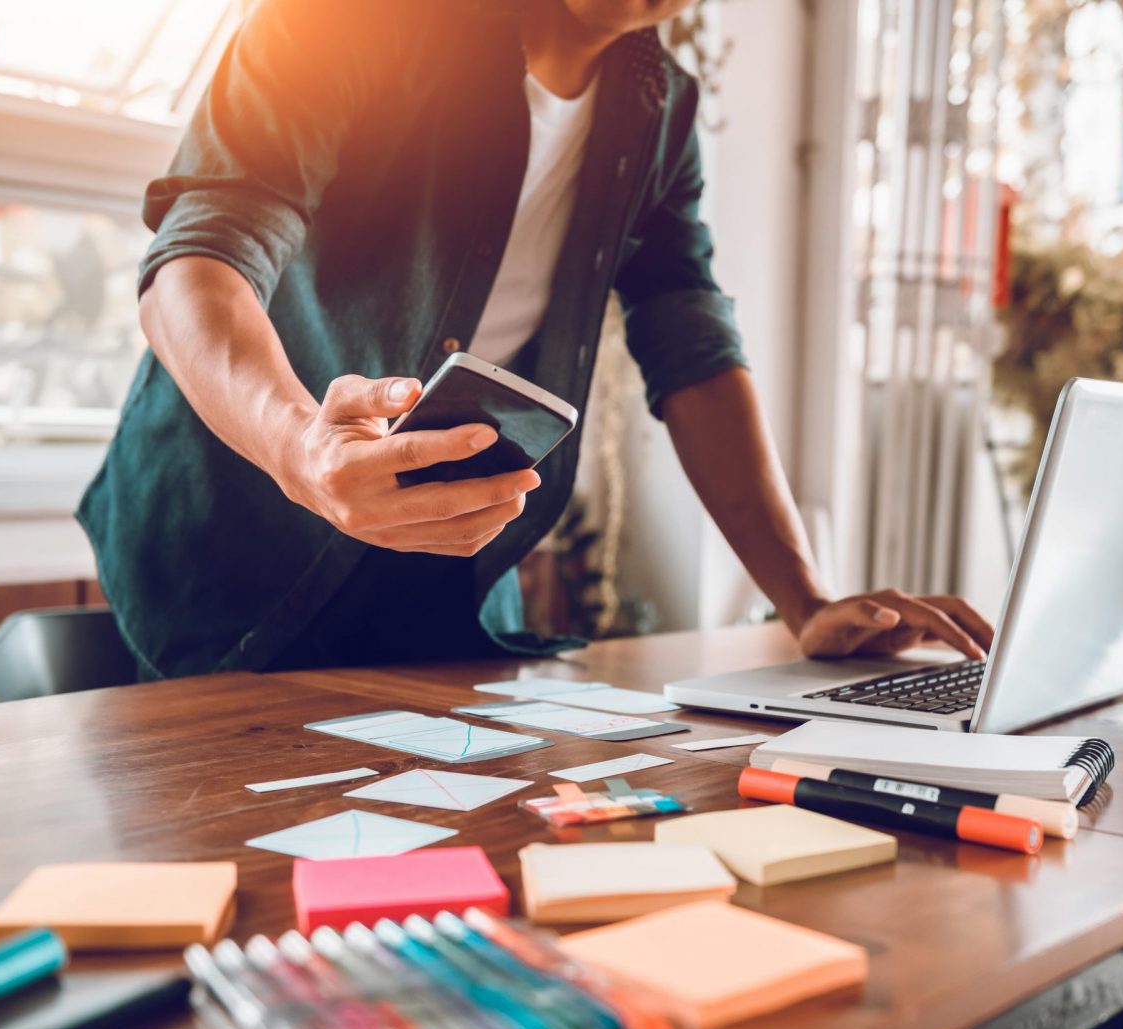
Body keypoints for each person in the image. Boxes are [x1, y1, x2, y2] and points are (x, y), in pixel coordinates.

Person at [79, 0, 993, 679]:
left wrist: (808, 601)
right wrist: (300, 448)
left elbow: (694, 345)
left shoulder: (659, 113)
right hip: (218, 557)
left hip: (442, 587)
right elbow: (197, 263)